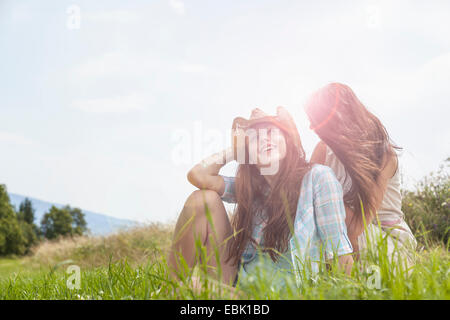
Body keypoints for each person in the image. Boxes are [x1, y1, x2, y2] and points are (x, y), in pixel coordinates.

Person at [167, 106, 354, 290]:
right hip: (239, 289)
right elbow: (198, 175)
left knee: (191, 287)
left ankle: (176, 290)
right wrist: (234, 151)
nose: (265, 139)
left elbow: (341, 256)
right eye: (255, 138)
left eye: (272, 131)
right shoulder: (251, 188)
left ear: (287, 141)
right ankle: (167, 289)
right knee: (203, 199)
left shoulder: (319, 178)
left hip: (287, 294)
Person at [304, 83, 417, 265]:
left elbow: (355, 229)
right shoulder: (323, 151)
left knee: (327, 210)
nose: (311, 126)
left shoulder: (383, 155)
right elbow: (304, 203)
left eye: (315, 119)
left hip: (385, 239)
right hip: (340, 232)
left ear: (336, 118)